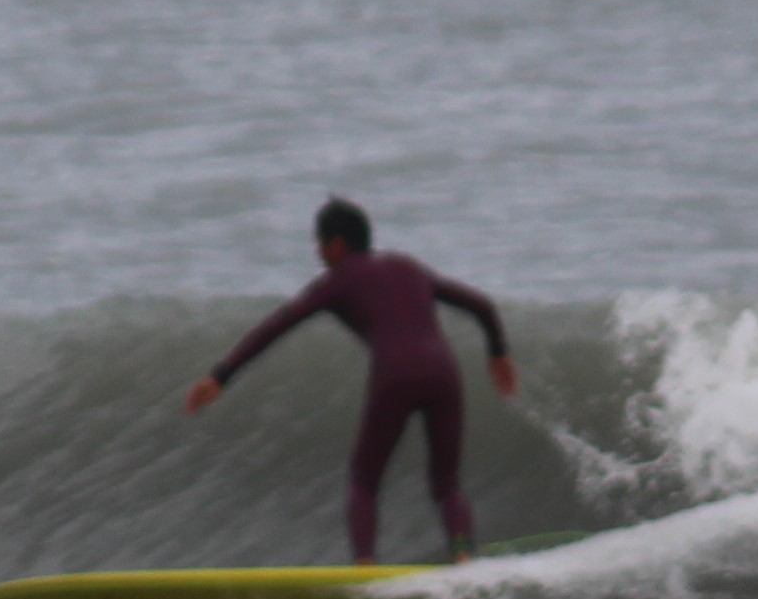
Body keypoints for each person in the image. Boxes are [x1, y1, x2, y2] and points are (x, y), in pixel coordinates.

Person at [184, 195, 520, 563]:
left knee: (364, 481)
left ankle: (364, 568)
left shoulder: (336, 281)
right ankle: (463, 553)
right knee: (446, 483)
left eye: (320, 243)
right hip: (444, 372)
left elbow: (277, 326)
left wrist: (220, 376)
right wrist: (498, 352)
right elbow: (482, 305)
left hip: (396, 375)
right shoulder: (407, 267)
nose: (318, 252)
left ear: (337, 244)